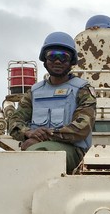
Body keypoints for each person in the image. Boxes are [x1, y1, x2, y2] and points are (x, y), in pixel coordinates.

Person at [9, 31, 97, 174]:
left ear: (71, 62)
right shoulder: (34, 92)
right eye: (52, 56)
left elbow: (81, 129)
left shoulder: (83, 90)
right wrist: (28, 133)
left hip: (73, 151)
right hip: (34, 148)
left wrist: (42, 137)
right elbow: (14, 122)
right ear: (45, 60)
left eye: (63, 57)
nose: (57, 61)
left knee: (40, 153)